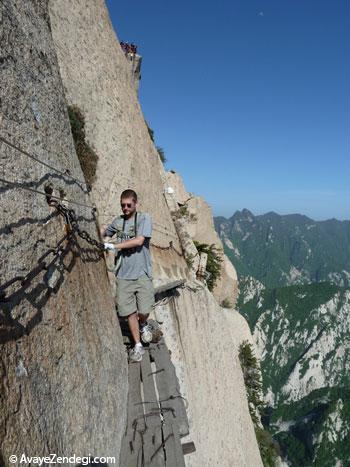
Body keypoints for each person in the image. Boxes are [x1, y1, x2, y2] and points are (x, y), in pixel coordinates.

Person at [103, 189, 155, 362]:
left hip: (142, 273)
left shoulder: (144, 218)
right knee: (128, 311)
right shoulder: (118, 222)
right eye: (122, 205)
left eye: (128, 205)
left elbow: (140, 240)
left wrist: (114, 246)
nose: (125, 208)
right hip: (124, 274)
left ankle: (143, 323)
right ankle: (137, 345)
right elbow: (105, 233)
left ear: (135, 203)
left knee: (144, 310)